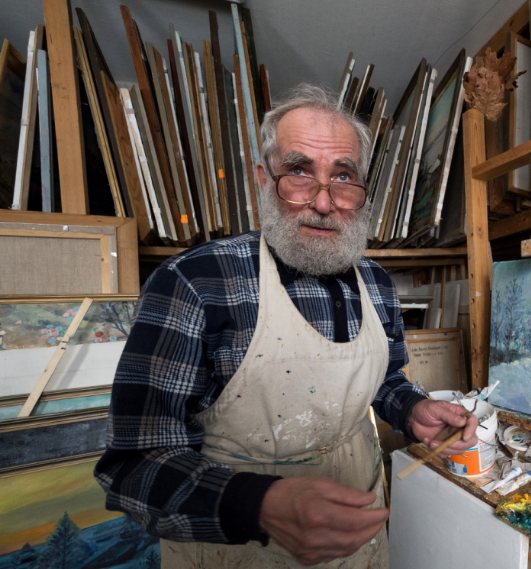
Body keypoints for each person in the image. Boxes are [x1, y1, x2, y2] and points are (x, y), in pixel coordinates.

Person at [95, 83, 479, 568]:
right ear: (264, 178)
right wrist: (260, 505)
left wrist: (412, 409)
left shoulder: (377, 282)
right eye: (299, 171)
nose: (324, 202)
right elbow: (135, 465)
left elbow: (383, 380)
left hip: (360, 545)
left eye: (343, 176)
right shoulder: (195, 282)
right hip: (234, 556)